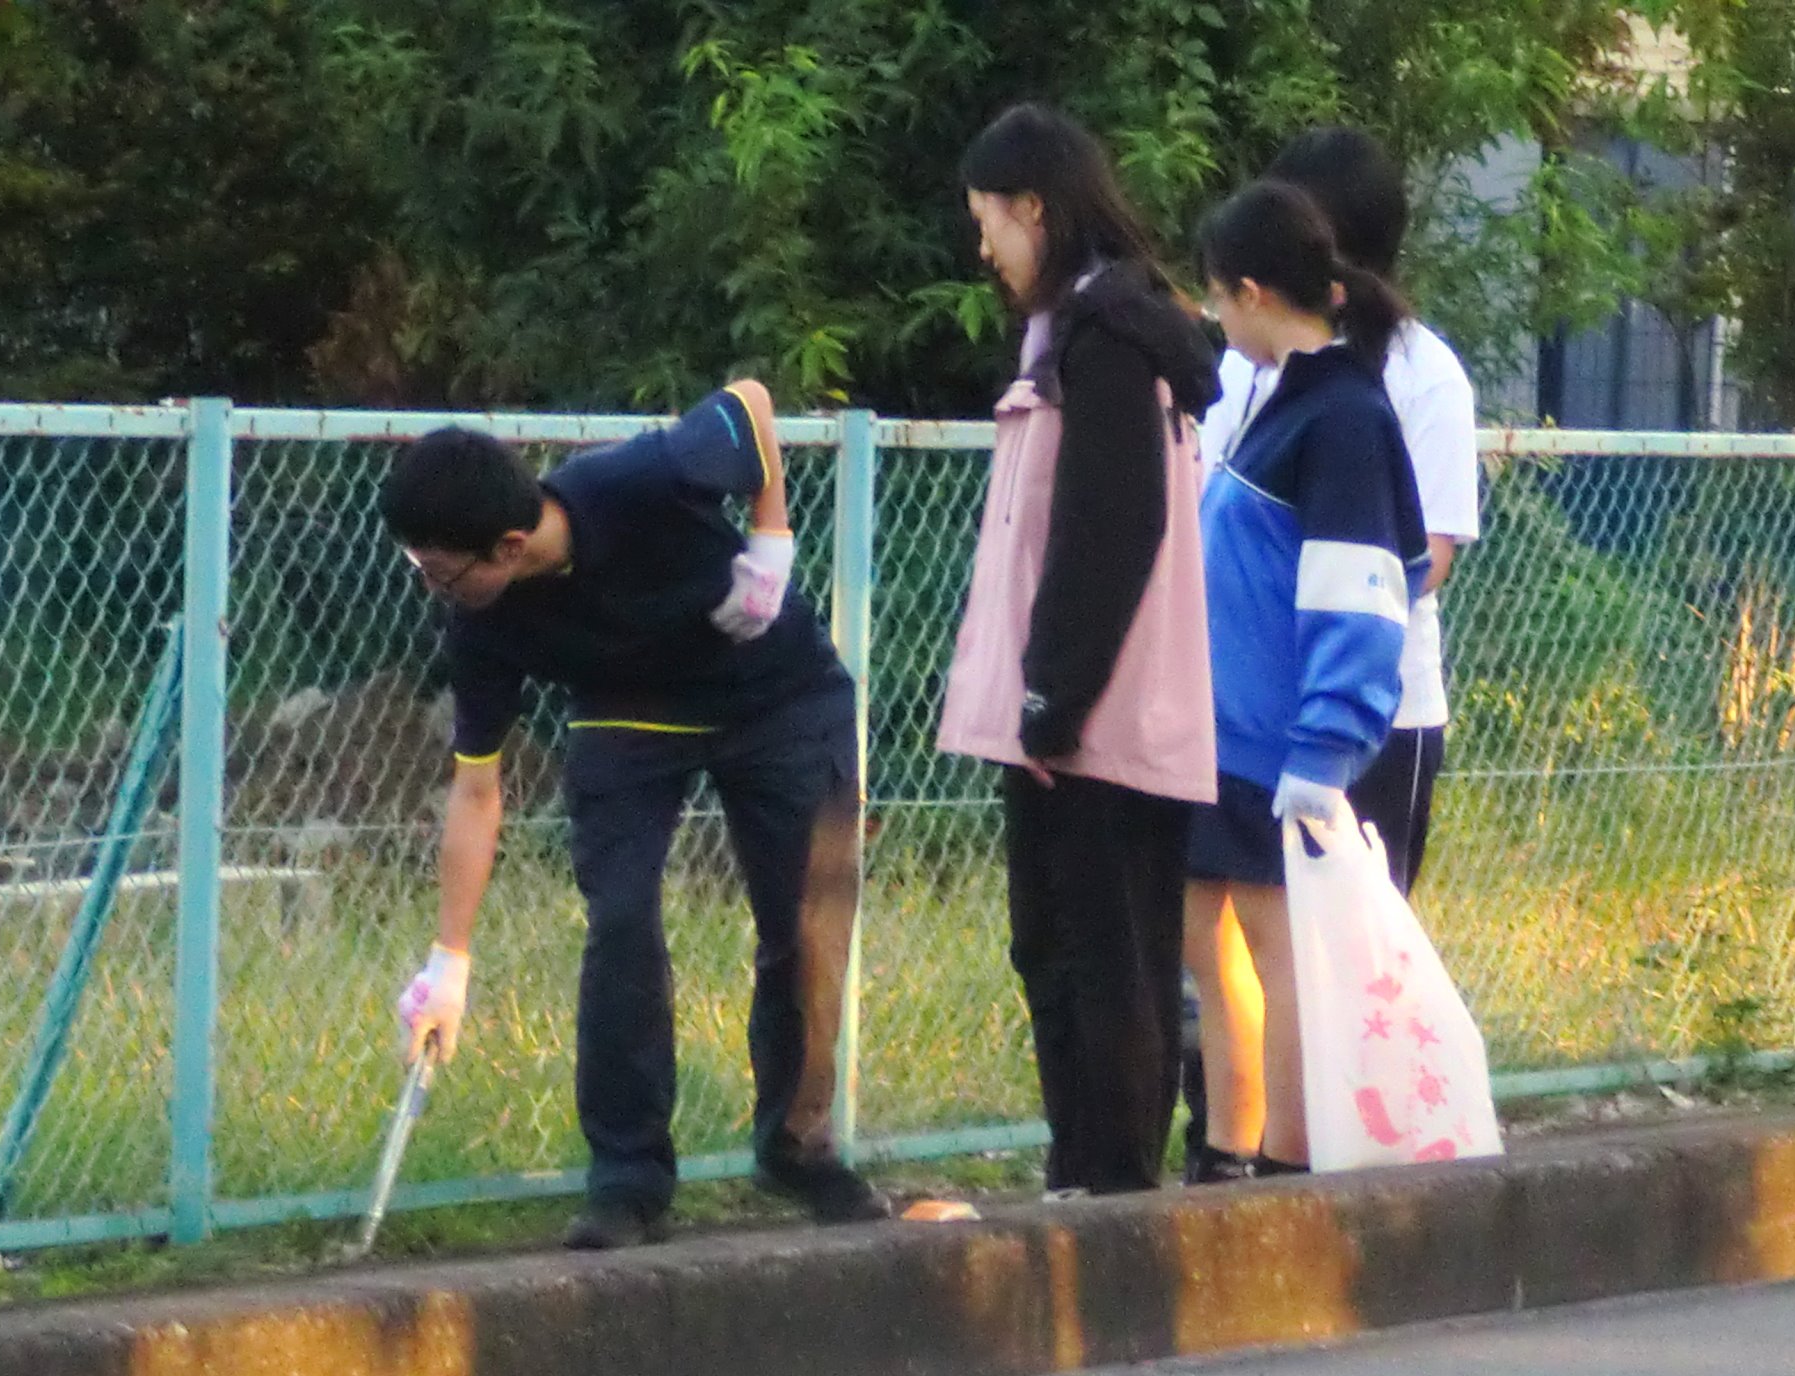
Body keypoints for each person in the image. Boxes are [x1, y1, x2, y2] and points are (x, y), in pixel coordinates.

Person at [382, 381, 888, 1250]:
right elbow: (477, 787)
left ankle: (798, 1149)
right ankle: (627, 1178)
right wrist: (448, 960)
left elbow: (753, 401)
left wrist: (772, 540)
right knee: (619, 919)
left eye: (441, 572)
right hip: (629, 715)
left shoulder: (646, 478)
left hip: (778, 696)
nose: (432, 589)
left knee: (804, 925)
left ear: (507, 545)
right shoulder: (483, 625)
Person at [939, 103, 1222, 1196]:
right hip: (1104, 708)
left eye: (990, 222)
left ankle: (1105, 1186)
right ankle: (1101, 1174)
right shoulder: (1100, 327)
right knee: (1103, 951)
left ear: (1036, 210)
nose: (984, 248)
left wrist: (1053, 696)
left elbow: (1107, 527)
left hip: (1088, 716)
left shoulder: (1102, 338)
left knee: (1091, 957)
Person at [1186, 180, 1428, 1181]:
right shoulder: (1301, 402)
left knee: (1273, 947)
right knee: (1215, 933)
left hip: (1278, 735)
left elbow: (1364, 591)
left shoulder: (1339, 417)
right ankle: (1229, 1143)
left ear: (1250, 289)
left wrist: (1325, 744)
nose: (1208, 316)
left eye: (1213, 296)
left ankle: (1281, 1154)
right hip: (1236, 730)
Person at [1200, 127, 1479, 895]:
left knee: (1348, 964)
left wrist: (1315, 625)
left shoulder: (1423, 374)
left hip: (1379, 720)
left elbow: (1428, 558)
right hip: (1251, 718)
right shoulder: (1244, 359)